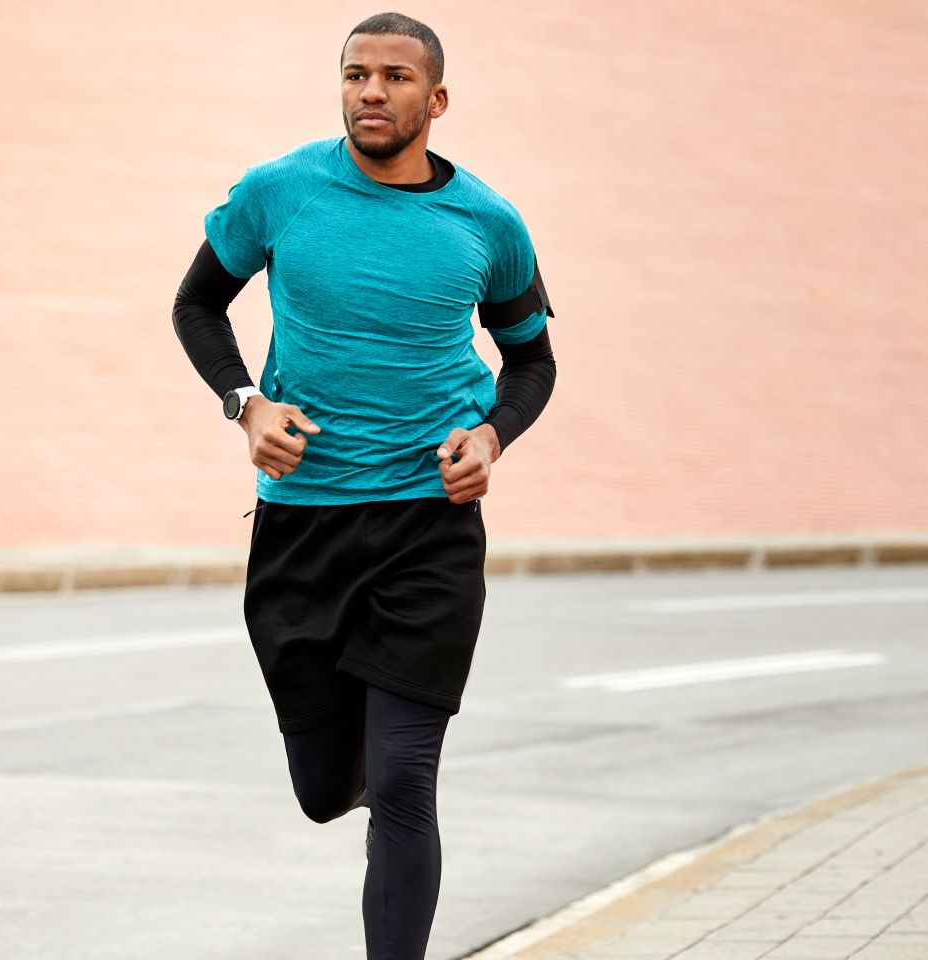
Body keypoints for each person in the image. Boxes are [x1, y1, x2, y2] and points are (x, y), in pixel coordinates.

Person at [169, 12, 557, 959]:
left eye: (392, 76)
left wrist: (493, 436)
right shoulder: (281, 191)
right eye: (355, 75)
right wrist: (244, 404)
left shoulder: (488, 223)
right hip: (304, 526)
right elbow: (196, 304)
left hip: (430, 524)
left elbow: (533, 365)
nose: (370, 92)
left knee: (405, 778)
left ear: (437, 99)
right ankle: (348, 765)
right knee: (319, 789)